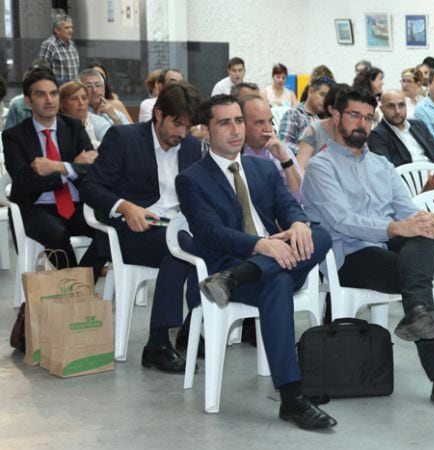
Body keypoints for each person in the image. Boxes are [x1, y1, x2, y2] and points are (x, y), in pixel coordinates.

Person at [302, 87, 434, 416]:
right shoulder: (320, 167)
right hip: (349, 256)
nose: (362, 124)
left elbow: (406, 210)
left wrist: (426, 220)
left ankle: (419, 317)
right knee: (417, 280)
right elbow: (343, 221)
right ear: (337, 117)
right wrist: (397, 228)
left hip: (387, 247)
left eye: (368, 118)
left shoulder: (382, 165)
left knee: (422, 239)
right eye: (355, 115)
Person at [177, 94, 336, 430]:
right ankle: (292, 398)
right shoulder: (192, 178)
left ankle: (238, 276)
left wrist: (296, 224)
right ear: (206, 130)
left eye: (238, 120)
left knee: (318, 234)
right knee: (276, 283)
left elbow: (289, 207)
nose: (235, 130)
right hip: (233, 261)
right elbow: (210, 233)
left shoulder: (263, 167)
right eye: (224, 123)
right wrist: (261, 245)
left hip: (265, 263)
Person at [80, 81, 203, 373]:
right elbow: (90, 186)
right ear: (158, 114)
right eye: (177, 124)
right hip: (133, 230)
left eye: (188, 127)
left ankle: (193, 327)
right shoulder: (123, 138)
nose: (182, 134)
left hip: (177, 227)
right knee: (181, 247)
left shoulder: (191, 145)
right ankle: (157, 344)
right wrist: (124, 206)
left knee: (209, 242)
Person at [2, 68, 102, 278]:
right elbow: (24, 182)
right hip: (37, 207)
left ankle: (78, 286)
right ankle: (80, 290)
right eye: (41, 94)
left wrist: (57, 166)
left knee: (112, 230)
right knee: (57, 236)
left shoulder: (73, 127)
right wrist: (72, 167)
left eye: (53, 93)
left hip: (77, 204)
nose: (49, 100)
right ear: (28, 101)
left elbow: (94, 169)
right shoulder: (14, 136)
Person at [368, 89, 434, 167]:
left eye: (401, 105)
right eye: (391, 106)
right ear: (381, 109)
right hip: (410, 179)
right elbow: (387, 168)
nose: (397, 111)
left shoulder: (419, 125)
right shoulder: (377, 135)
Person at [241, 95, 302, 199]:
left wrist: (285, 160)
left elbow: (299, 197)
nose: (268, 129)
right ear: (242, 124)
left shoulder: (281, 150)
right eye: (259, 123)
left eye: (270, 121)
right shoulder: (235, 155)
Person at [296, 83, 349, 169]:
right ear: (331, 109)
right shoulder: (313, 131)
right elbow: (300, 168)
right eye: (344, 110)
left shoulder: (354, 131)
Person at [277, 76, 334, 155]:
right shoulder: (294, 114)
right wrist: (311, 152)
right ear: (310, 91)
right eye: (322, 94)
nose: (325, 100)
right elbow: (283, 144)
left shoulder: (329, 119)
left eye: (328, 98)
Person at [58, 80, 111, 147]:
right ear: (62, 103)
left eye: (84, 98)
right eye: (74, 99)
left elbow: (112, 145)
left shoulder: (98, 121)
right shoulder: (56, 124)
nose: (81, 103)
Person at [38, 13, 79, 84]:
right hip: (58, 88)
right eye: (67, 28)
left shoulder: (72, 45)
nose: (71, 30)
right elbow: (43, 71)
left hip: (72, 88)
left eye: (71, 27)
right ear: (57, 30)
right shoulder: (49, 45)